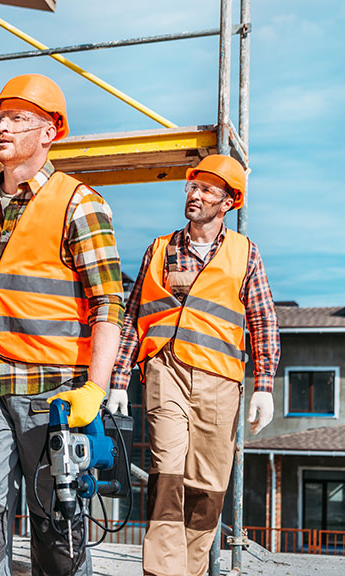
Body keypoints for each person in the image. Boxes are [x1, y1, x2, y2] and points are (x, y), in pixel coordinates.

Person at [0, 73, 124, 576]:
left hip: (54, 394)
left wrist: (96, 387)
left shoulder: (78, 203)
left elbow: (109, 304)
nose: (3, 127)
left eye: (18, 118)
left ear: (50, 132)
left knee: (58, 521)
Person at [106, 154, 280, 576]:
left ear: (228, 202)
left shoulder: (245, 253)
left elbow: (263, 320)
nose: (195, 195)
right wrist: (118, 380)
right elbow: (134, 316)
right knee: (167, 474)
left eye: (206, 190)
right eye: (192, 187)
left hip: (220, 382)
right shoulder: (161, 248)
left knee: (208, 485)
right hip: (166, 372)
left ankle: (192, 567)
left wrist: (264, 386)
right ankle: (162, 571)